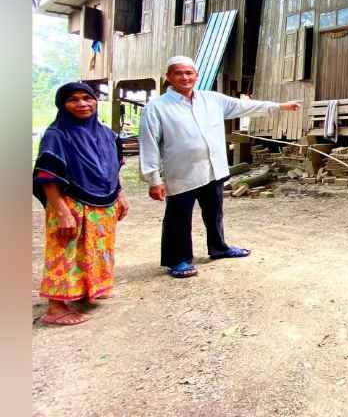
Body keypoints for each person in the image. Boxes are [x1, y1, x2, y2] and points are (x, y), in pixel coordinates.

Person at [138, 56, 301, 278]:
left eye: (189, 73)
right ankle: (178, 259)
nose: (185, 77)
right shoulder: (156, 108)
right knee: (178, 218)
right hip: (181, 174)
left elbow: (244, 106)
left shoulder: (211, 99)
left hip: (214, 169)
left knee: (214, 213)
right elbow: (149, 144)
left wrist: (280, 106)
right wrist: (154, 180)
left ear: (196, 76)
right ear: (168, 77)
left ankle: (219, 248)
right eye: (178, 73)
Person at [33, 82, 128, 325]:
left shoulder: (106, 133)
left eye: (87, 98)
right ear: (62, 105)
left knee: (96, 250)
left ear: (96, 101)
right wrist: (61, 210)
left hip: (103, 203)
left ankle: (88, 290)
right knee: (65, 252)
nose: (82, 104)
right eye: (73, 99)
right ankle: (55, 308)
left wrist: (120, 194)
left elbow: (114, 167)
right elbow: (47, 176)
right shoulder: (57, 135)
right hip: (70, 202)